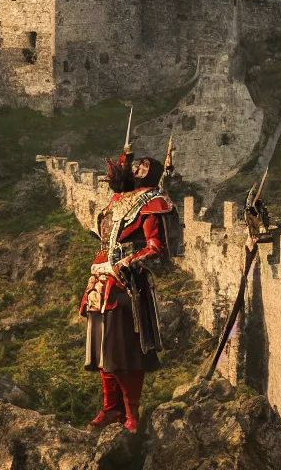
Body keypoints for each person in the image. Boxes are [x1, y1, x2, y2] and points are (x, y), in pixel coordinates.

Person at [81, 148, 173, 433]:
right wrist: (97, 272)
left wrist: (125, 263)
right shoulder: (116, 202)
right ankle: (111, 410)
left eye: (144, 165)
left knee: (124, 352)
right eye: (136, 165)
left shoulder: (151, 202)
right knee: (102, 353)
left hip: (127, 285)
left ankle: (132, 413)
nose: (137, 168)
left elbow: (155, 247)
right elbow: (105, 243)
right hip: (101, 284)